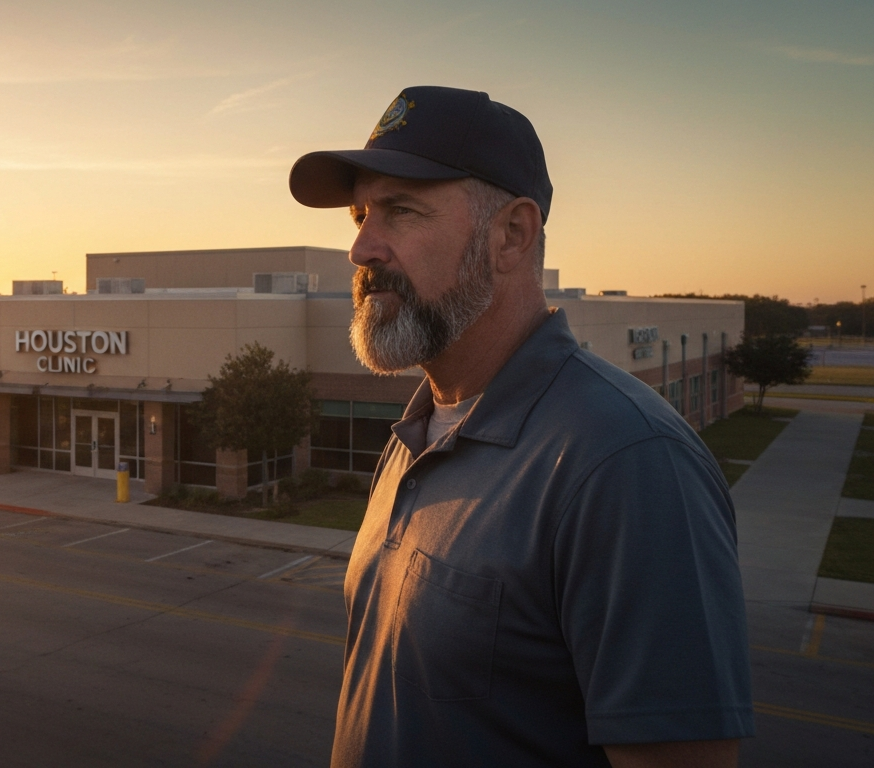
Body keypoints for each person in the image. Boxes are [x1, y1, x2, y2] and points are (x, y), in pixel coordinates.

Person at [288, 86, 754, 767]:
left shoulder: (625, 463)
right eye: (360, 215)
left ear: (511, 235)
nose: (361, 248)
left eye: (401, 211)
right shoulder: (416, 434)